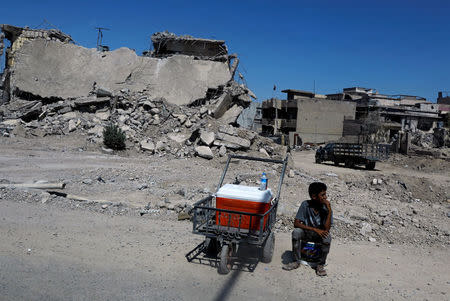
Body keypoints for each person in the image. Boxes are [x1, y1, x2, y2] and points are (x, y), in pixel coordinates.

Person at [283, 182, 332, 276]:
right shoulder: (305, 205)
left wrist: (329, 211)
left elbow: (327, 229)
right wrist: (315, 229)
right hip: (307, 233)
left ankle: (320, 264)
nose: (325, 197)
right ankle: (296, 261)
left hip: (319, 235)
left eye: (325, 194)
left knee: (327, 238)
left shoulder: (326, 208)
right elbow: (296, 223)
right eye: (322, 195)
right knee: (296, 232)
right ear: (314, 196)